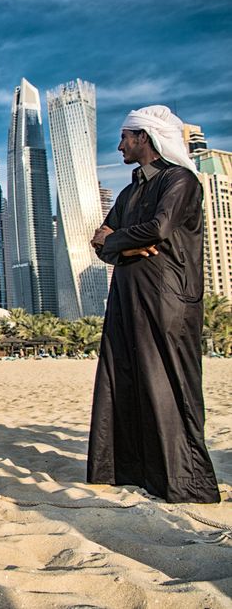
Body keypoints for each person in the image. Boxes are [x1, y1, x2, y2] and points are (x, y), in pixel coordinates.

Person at [88, 105, 220, 504]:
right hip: (126, 296)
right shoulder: (129, 192)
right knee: (122, 378)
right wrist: (125, 246)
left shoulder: (180, 180)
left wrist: (118, 239)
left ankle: (185, 481)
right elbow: (99, 241)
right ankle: (130, 470)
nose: (119, 144)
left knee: (168, 381)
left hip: (167, 298)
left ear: (145, 137)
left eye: (126, 137)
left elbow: (160, 228)